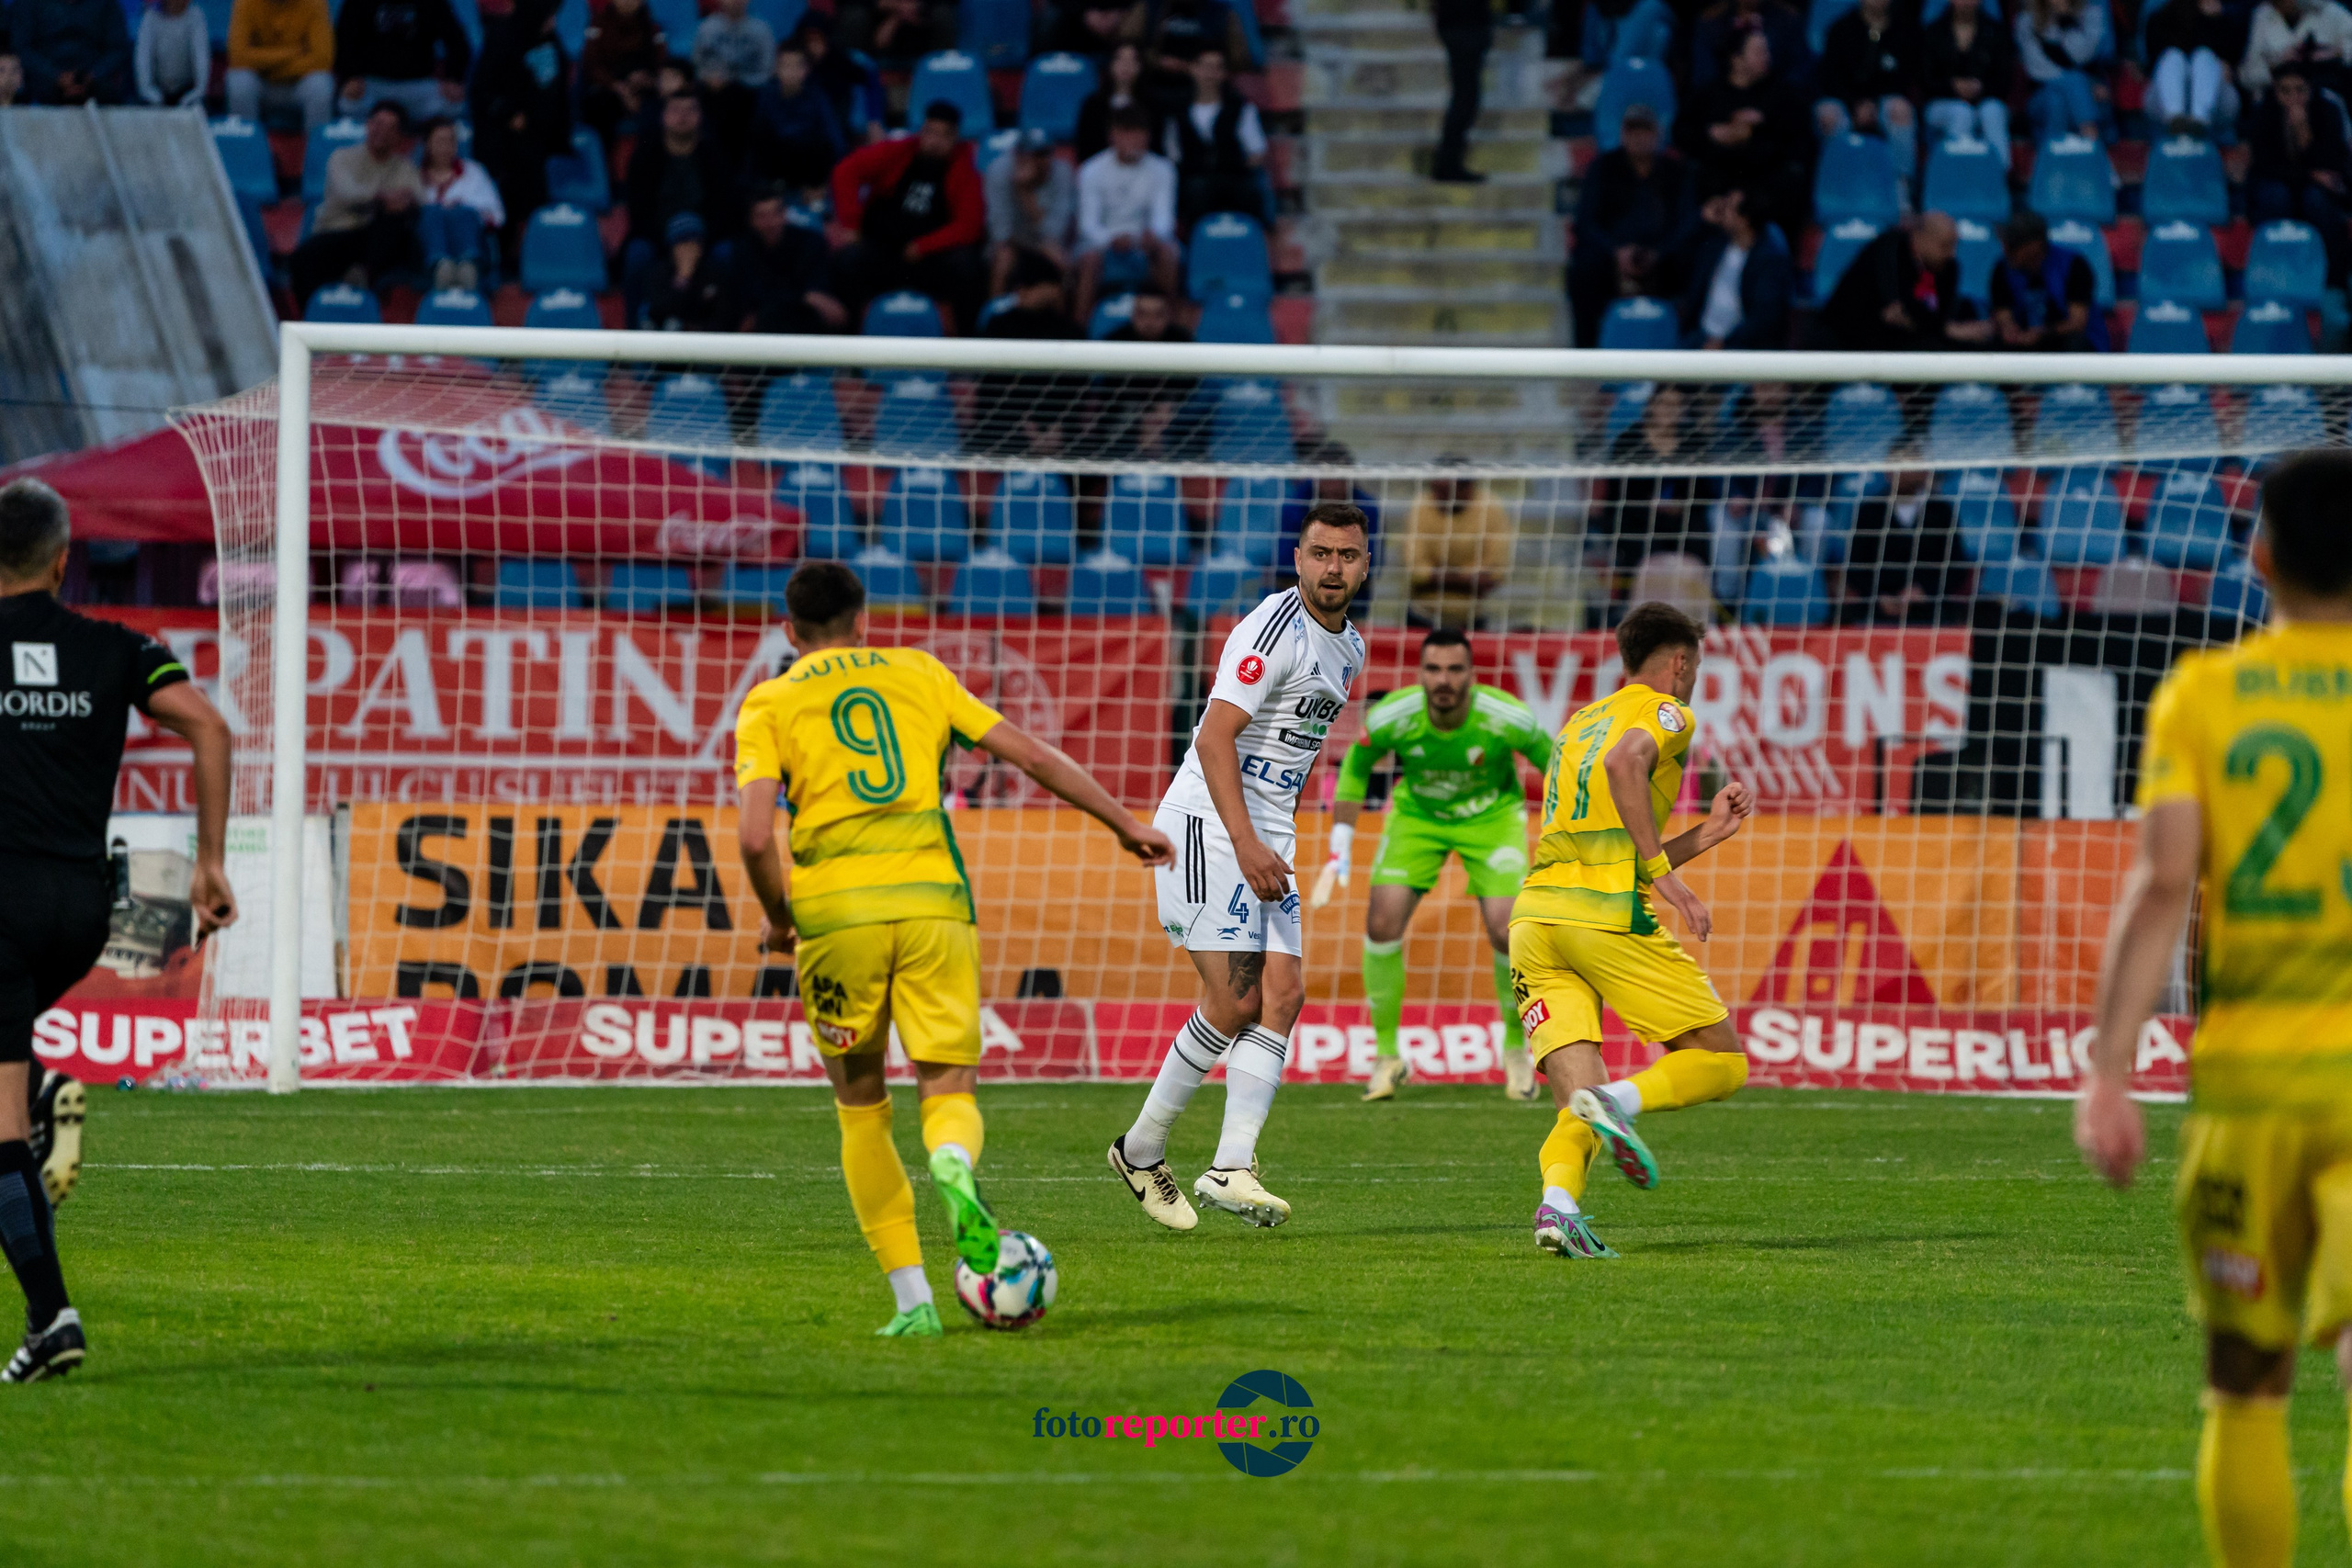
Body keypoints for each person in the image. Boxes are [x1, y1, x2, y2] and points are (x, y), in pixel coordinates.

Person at [735, 561, 1171, 1337]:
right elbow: (1031, 754)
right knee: (947, 1085)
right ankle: (954, 1165)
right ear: (864, 620)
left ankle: (913, 1304)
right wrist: (1123, 822)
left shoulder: (769, 701)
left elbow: (752, 834)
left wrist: (777, 917)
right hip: (934, 900)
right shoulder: (920, 672)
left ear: (789, 632)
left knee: (861, 1107)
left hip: (835, 912)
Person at [2075, 448, 2352, 1568]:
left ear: (2260, 554)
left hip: (2249, 1090)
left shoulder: (2205, 695)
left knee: (2245, 1386)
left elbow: (2160, 887)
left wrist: (2107, 1068)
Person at [0, 478, 236, 1382]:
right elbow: (208, 730)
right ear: (64, 562)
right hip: (82, 910)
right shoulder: (119, 649)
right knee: (3, 1093)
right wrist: (210, 861)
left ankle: (50, 1315)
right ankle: (29, 1102)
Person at [1108, 506, 1371, 1233]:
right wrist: (1248, 839)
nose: (1332, 568)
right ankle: (1141, 1148)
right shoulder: (1270, 628)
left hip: (1266, 835)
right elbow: (1217, 736)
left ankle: (1231, 1164)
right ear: (1297, 557)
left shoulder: (1350, 647)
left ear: (1365, 564)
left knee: (1282, 994)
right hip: (1208, 823)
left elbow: (1292, 752)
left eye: (1347, 555)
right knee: (1233, 1001)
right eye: (1320, 553)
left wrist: (1272, 836)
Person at [1513, 602, 1755, 1261]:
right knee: (1723, 1060)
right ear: (1679, 662)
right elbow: (1627, 765)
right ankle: (1618, 1101)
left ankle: (1558, 1210)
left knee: (1575, 1102)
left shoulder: (1579, 721)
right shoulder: (1666, 710)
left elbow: (1606, 835)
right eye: (1696, 667)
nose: (1694, 678)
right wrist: (1663, 876)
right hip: (1604, 916)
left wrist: (1706, 833)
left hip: (1537, 919)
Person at [1314, 630, 1554, 1105]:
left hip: (1492, 818)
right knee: (1381, 922)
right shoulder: (1396, 715)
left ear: (1471, 675)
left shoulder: (1506, 718)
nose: (1443, 680)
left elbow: (1556, 764)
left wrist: (1571, 831)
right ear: (1421, 673)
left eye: (1454, 669)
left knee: (1509, 930)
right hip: (1417, 816)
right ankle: (1387, 1056)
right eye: (1434, 669)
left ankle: (1515, 1048)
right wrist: (1340, 838)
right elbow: (1357, 763)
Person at [826, 97, 988, 330]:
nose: (935, 142)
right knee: (846, 261)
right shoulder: (900, 151)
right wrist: (852, 224)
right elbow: (845, 172)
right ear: (922, 131)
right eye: (930, 133)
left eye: (944, 135)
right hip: (884, 251)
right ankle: (845, 349)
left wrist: (923, 246)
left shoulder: (965, 166)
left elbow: (969, 226)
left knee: (968, 267)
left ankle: (968, 354)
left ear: (955, 138)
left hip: (930, 260)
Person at [1568, 101, 1691, 348]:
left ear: (1657, 134)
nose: (1638, 138)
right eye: (1632, 131)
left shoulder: (1676, 172)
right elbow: (1585, 222)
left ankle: (1686, 349)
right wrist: (1616, 252)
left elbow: (1687, 223)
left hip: (1662, 256)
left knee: (1697, 260)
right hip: (1611, 255)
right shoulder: (1603, 168)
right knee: (1583, 269)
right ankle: (1586, 353)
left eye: (1645, 131)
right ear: (1623, 134)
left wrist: (1659, 253)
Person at [469, 0, 571, 273]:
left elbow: (558, 89)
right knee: (512, 188)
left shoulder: (550, 39)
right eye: (548, 16)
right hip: (504, 141)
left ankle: (536, 258)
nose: (552, 23)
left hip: (540, 138)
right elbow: (481, 91)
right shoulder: (502, 38)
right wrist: (509, 113)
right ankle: (505, 260)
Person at [288, 100, 424, 304]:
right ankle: (311, 318)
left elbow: (416, 197)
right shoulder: (341, 157)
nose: (381, 132)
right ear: (368, 125)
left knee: (397, 221)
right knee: (303, 258)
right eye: (377, 124)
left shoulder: (405, 168)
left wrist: (402, 201)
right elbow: (347, 193)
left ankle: (364, 276)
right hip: (338, 232)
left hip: (376, 237)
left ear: (399, 136)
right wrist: (381, 197)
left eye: (390, 128)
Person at [1679, 29, 1813, 224]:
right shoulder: (1708, 95)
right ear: (1737, 59)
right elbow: (1681, 132)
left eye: (1767, 51)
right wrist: (1714, 134)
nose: (1767, 57)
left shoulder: (1783, 96)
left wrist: (1760, 128)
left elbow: (1797, 144)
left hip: (1762, 187)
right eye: (1758, 52)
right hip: (1717, 187)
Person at [624, 90, 742, 311]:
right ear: (663, 116)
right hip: (658, 239)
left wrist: (696, 241)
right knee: (637, 255)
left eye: (690, 110)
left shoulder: (715, 156)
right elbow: (639, 214)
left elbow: (726, 211)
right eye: (676, 110)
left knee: (727, 254)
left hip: (706, 240)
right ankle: (634, 332)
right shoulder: (644, 156)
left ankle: (725, 332)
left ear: (700, 116)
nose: (683, 116)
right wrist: (675, 242)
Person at [1820, 212, 1994, 351]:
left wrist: (1945, 328)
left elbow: (1939, 315)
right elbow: (1896, 314)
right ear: (1918, 239)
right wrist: (1947, 329)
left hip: (1910, 338)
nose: (1952, 253)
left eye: (1955, 245)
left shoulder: (1949, 266)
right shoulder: (1889, 252)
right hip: (1853, 338)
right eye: (1945, 245)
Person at [1074, 104, 1180, 321]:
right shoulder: (1091, 170)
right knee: (1089, 259)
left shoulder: (1163, 169)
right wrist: (1110, 239)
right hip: (1102, 244)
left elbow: (1164, 218)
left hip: (1144, 241)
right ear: (1113, 136)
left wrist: (1152, 236)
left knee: (1169, 253)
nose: (1134, 141)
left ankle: (1169, 326)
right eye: (1127, 134)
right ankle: (1080, 330)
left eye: (1139, 134)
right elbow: (1088, 224)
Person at [2250, 62, 2352, 285]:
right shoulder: (2264, 112)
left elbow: (2332, 164)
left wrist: (2304, 134)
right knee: (2275, 196)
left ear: (2310, 89)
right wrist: (2309, 175)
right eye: (2285, 90)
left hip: (2314, 190)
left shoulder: (2327, 110)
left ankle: (2332, 282)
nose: (2293, 97)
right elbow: (2264, 166)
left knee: (2316, 199)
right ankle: (2273, 276)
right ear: (2276, 92)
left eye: (2300, 90)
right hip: (2278, 186)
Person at [977, 249, 1083, 456]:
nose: (1022, 292)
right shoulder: (999, 327)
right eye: (1020, 286)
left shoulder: (1071, 332)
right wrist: (1026, 429)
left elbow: (1075, 391)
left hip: (1060, 435)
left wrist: (1056, 428)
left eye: (1031, 286)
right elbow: (992, 390)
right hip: (1006, 431)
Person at [1838, 456, 1964, 623]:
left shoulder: (1941, 511)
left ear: (1924, 471)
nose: (1903, 472)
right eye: (1897, 465)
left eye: (1910, 465)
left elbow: (1956, 565)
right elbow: (1856, 566)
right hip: (1878, 607)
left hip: (1929, 606)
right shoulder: (1870, 511)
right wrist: (1879, 596)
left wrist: (1924, 591)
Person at [1815, 0, 1922, 187]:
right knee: (1828, 113)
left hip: (1883, 103)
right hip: (1846, 102)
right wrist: (1854, 104)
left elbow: (1906, 79)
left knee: (1901, 109)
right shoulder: (1840, 28)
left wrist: (1874, 104)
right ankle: (1836, 185)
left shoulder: (1905, 30)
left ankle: (1901, 188)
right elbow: (1830, 79)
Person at [1088, 286, 1204, 459]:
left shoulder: (1184, 341)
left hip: (1172, 412)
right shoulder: (1115, 342)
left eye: (1158, 315)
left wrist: (1166, 405)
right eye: (1143, 314)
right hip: (1125, 413)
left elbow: (1191, 384)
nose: (1150, 321)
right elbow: (1111, 387)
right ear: (1133, 315)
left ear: (1168, 316)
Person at [1675, 186, 1795, 349]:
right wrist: (1700, 219)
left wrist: (1724, 344)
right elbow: (1675, 251)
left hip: (1742, 346)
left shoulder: (1770, 259)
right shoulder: (1713, 245)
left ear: (1744, 219)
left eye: (1728, 206)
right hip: (1700, 337)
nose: (1721, 209)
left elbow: (1764, 317)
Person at [1402, 462, 1517, 627]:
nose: (1437, 497)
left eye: (1445, 493)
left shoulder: (1490, 508)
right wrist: (1467, 577)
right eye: (1435, 490)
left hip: (1472, 618)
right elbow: (1415, 571)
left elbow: (1494, 574)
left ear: (1468, 488)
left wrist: (1438, 574)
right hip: (1422, 615)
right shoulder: (1421, 505)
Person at [1165, 46, 1266, 225]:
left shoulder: (1241, 109)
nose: (1210, 73)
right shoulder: (1177, 113)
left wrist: (1233, 166)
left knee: (1248, 191)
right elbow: (1174, 156)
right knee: (1195, 191)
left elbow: (1257, 152)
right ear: (1193, 70)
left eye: (1217, 68)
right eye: (1205, 67)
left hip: (1233, 180)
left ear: (1224, 74)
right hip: (1194, 182)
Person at [729, 185, 846, 333]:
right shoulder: (743, 249)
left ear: (785, 214)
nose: (770, 223)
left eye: (775, 214)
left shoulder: (810, 243)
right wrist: (804, 296)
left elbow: (820, 290)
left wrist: (803, 297)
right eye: (762, 216)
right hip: (763, 322)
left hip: (805, 320)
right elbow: (751, 294)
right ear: (751, 221)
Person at [334, 0, 470, 128]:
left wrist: (453, 78)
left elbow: (457, 43)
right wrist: (350, 76)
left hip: (418, 86)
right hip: (373, 85)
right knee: (348, 103)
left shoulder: (434, 3)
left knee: (453, 104)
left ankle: (436, 145)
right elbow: (344, 40)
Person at [1988, 209, 2107, 350]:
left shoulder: (2073, 265)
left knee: (2075, 344)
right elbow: (2003, 316)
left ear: (2035, 245)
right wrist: (2010, 331)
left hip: (2063, 342)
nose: (2006, 250)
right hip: (2024, 342)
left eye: (2014, 245)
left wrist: (2042, 334)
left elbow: (2077, 323)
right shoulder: (2002, 269)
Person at [417, 116, 505, 291]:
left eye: (451, 141)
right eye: (440, 141)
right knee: (431, 212)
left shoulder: (474, 172)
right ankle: (441, 266)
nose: (447, 147)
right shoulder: (414, 176)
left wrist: (462, 205)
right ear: (427, 144)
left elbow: (497, 216)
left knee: (462, 212)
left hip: (472, 244)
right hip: (425, 253)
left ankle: (468, 269)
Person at [748, 39, 846, 196]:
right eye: (785, 65)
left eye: (797, 66)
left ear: (807, 69)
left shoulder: (817, 96)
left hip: (808, 166)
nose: (791, 72)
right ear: (776, 68)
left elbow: (834, 140)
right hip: (777, 165)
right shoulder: (766, 95)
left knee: (820, 146)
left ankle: (813, 192)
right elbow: (757, 141)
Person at [987, 127, 1078, 295]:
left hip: (1046, 243)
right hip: (1011, 244)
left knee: (1063, 262)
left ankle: (1063, 318)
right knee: (1003, 259)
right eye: (1033, 155)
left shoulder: (1062, 173)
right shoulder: (999, 171)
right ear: (1018, 155)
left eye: (1044, 154)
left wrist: (1025, 192)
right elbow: (1000, 233)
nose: (1039, 161)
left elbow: (1054, 233)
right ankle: (994, 313)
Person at [1923, 0, 2015, 164]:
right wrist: (1952, 86)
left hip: (1986, 99)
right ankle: (1957, 174)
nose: (1966, 2)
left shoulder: (1996, 31)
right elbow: (1925, 80)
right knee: (1961, 112)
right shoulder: (1934, 31)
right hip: (1942, 103)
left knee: (1992, 111)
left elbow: (2005, 79)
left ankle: (1999, 176)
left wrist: (1981, 87)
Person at [225, 0, 333, 130]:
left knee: (320, 85)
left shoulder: (315, 3)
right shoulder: (245, 3)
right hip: (260, 81)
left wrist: (269, 67)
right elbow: (238, 57)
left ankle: (317, 147)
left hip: (298, 83)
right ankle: (245, 146)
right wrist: (292, 53)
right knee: (239, 82)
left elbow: (322, 59)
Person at [2018, 0, 2115, 142]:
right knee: (2058, 96)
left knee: (2058, 101)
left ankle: (2052, 156)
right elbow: (2038, 69)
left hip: (2079, 94)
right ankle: (2091, 142)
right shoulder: (2026, 21)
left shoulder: (2091, 13)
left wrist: (2067, 22)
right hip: (2043, 93)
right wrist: (2082, 85)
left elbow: (2084, 56)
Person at [2145, 0, 2247, 135]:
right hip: (2165, 101)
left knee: (2204, 56)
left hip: (2215, 100)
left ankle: (2200, 121)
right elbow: (2155, 58)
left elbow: (2233, 56)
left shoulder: (2223, 16)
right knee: (2172, 57)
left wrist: (2214, 21)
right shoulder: (2160, 17)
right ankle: (2176, 120)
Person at [580, 0, 664, 151]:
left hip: (644, 87)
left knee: (660, 107)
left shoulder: (652, 25)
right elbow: (592, 65)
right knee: (598, 107)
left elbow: (662, 63)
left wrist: (649, 79)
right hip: (611, 87)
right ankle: (605, 167)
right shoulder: (598, 23)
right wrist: (617, 86)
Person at [693, 0, 774, 152]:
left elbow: (767, 71)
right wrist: (709, 78)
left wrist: (737, 81)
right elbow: (697, 65)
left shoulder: (761, 30)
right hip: (714, 93)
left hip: (749, 95)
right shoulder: (707, 28)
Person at [12, 0, 130, 103]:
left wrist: (92, 75)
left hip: (95, 77)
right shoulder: (28, 4)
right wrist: (56, 76)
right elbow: (22, 47)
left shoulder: (106, 4)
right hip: (44, 76)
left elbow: (118, 48)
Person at [792, 15, 883, 144]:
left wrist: (874, 120)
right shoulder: (794, 66)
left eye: (817, 40)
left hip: (840, 131)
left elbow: (868, 81)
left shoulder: (841, 63)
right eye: (808, 41)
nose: (813, 46)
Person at [1690, 0, 1813, 90]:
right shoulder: (1711, 22)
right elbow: (1703, 77)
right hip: (1723, 103)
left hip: (1777, 102)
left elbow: (1799, 72)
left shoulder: (1788, 18)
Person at [1432, 0, 1493, 182]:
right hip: (1464, 25)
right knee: (1465, 100)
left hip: (1461, 24)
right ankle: (1447, 164)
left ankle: (1448, 163)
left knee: (1465, 98)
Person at [2241, 0, 2352, 99]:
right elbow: (2248, 75)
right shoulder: (2262, 15)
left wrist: (2336, 53)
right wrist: (2279, 63)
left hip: (2324, 94)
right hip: (2276, 101)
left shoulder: (2327, 9)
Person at [641, 210, 729, 330]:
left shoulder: (715, 273)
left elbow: (723, 315)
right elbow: (658, 313)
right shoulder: (659, 273)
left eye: (695, 242)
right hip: (667, 340)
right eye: (683, 242)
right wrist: (683, 278)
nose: (689, 248)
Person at [1075, 39, 1158, 164]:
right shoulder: (1093, 104)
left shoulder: (1153, 105)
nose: (1126, 65)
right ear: (1110, 64)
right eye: (1120, 59)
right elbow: (1085, 147)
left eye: (1133, 60)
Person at [837, 0, 955, 73]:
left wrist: (917, 5)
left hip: (920, 21)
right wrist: (886, 5)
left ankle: (942, 75)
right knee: (854, 17)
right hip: (875, 25)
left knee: (942, 14)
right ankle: (855, 80)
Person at [134, 0, 210, 106]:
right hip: (157, 92)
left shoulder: (195, 16)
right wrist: (148, 91)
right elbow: (143, 60)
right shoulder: (150, 18)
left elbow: (201, 57)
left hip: (187, 91)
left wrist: (198, 91)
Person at [1581, 0, 1677, 74]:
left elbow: (1620, 66)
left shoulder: (1650, 9)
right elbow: (1591, 62)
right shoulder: (1595, 10)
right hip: (1607, 82)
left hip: (1641, 85)